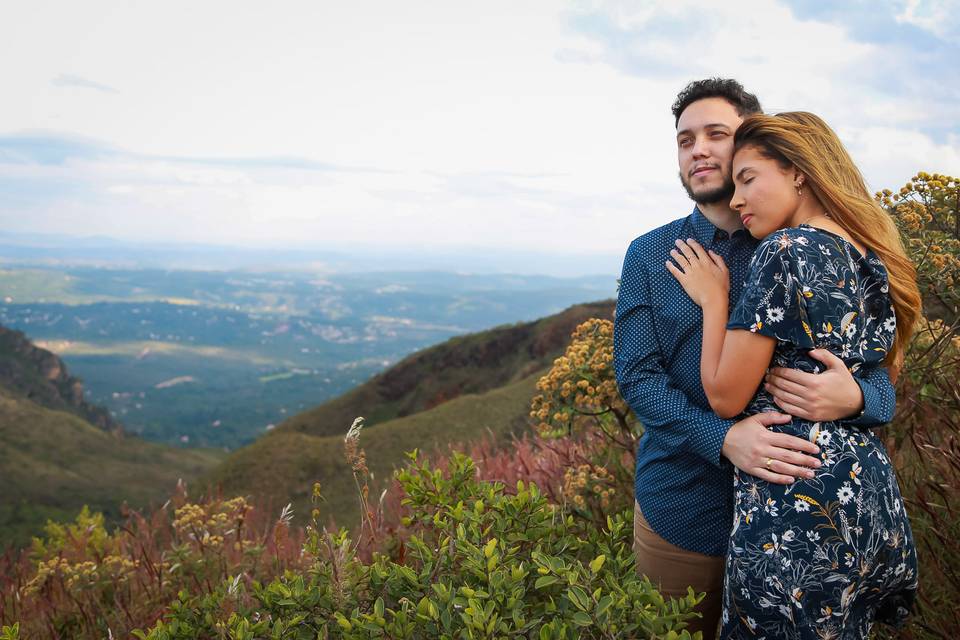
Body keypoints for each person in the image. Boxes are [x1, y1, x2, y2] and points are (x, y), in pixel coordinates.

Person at [613, 79, 896, 639]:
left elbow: (873, 368)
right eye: (684, 139)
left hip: (797, 515)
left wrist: (861, 396)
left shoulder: (794, 243)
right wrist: (722, 439)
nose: (698, 149)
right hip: (685, 513)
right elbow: (637, 377)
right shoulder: (651, 253)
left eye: (716, 134)